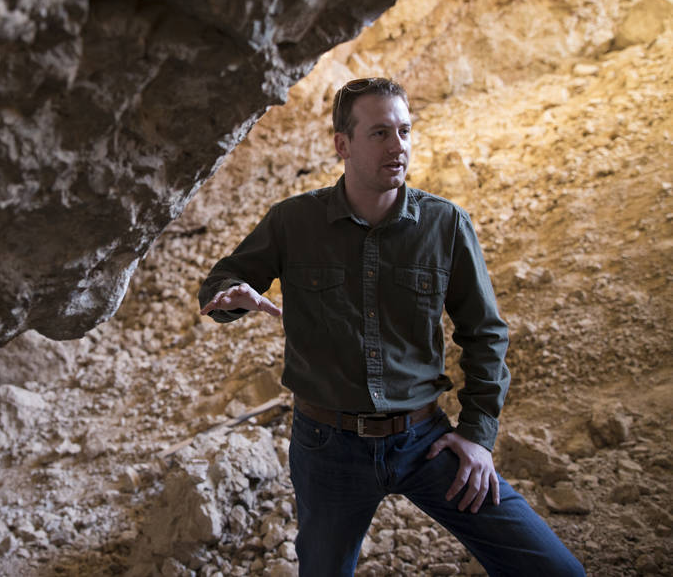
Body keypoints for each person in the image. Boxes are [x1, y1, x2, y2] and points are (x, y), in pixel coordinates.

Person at [197, 78, 584, 576]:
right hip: (327, 447)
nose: (398, 146)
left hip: (425, 442)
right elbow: (222, 282)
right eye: (380, 133)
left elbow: (484, 334)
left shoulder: (446, 225)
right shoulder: (293, 222)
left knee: (555, 570)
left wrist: (477, 436)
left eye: (404, 131)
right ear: (342, 144)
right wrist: (227, 299)